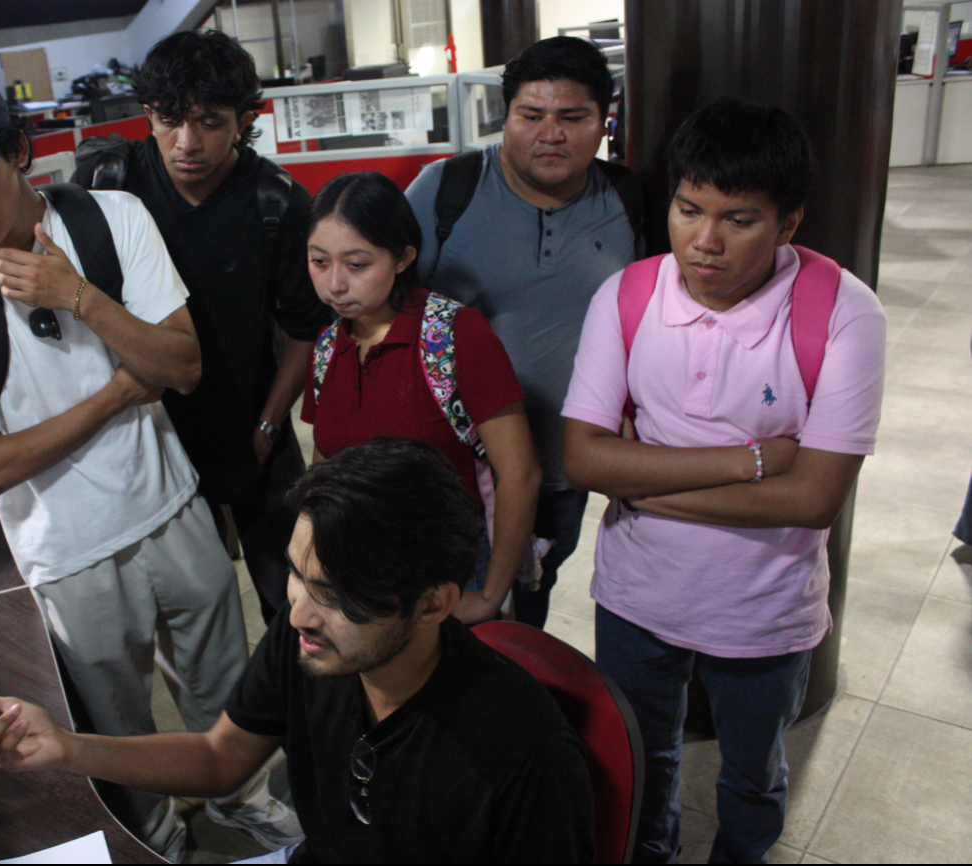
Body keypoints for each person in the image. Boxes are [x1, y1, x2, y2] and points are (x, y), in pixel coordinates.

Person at [0, 74, 296, 861]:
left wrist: (77, 296)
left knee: (225, 685)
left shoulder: (113, 220)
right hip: (66, 552)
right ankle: (155, 837)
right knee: (113, 725)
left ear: (17, 151)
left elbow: (180, 364)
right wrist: (115, 393)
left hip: (172, 506)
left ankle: (245, 802)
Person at [0, 438, 596, 864]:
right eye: (297, 575)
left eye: (332, 595)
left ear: (433, 604)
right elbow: (219, 758)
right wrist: (69, 748)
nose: (296, 610)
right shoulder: (311, 646)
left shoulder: (520, 756)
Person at [561, 98, 887, 863]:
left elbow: (811, 501)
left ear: (788, 224)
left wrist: (640, 480)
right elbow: (582, 458)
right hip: (636, 595)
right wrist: (749, 460)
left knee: (752, 775)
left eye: (737, 220)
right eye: (686, 209)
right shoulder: (628, 295)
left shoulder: (842, 315)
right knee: (643, 761)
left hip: (763, 607)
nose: (702, 242)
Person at [78, 30, 333, 626]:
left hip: (248, 424)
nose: (186, 142)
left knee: (297, 599)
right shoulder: (107, 185)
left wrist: (270, 426)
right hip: (144, 433)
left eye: (210, 122)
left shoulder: (279, 203)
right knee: (180, 610)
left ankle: (299, 713)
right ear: (148, 115)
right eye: (169, 120)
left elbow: (303, 330)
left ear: (246, 119)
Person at [405, 36, 640, 629]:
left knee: (530, 596)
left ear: (604, 121)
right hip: (453, 463)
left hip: (565, 462)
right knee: (437, 602)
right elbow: (389, 312)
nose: (550, 134)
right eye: (531, 116)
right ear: (505, 116)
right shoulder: (444, 191)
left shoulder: (630, 200)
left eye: (573, 118)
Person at [301, 172, 542, 626]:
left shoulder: (455, 336)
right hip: (358, 573)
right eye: (319, 262)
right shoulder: (328, 344)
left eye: (356, 265)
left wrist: (491, 595)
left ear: (403, 257)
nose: (334, 285)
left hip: (444, 575)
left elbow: (521, 473)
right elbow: (324, 460)